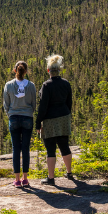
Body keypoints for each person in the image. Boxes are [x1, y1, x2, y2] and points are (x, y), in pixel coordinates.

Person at [35, 54, 74, 186]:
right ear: (59, 70)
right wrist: (66, 114)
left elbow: (43, 106)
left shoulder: (46, 86)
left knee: (50, 149)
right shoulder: (66, 83)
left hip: (50, 120)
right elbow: (69, 103)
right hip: (64, 118)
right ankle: (69, 173)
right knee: (65, 146)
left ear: (48, 70)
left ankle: (51, 178)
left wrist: (38, 122)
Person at [2, 60, 36, 187]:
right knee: (26, 148)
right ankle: (25, 178)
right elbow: (34, 104)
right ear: (25, 71)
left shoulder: (8, 85)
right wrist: (28, 112)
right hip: (27, 117)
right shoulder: (31, 85)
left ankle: (16, 180)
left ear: (15, 70)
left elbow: (6, 104)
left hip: (14, 118)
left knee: (16, 148)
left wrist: (10, 114)